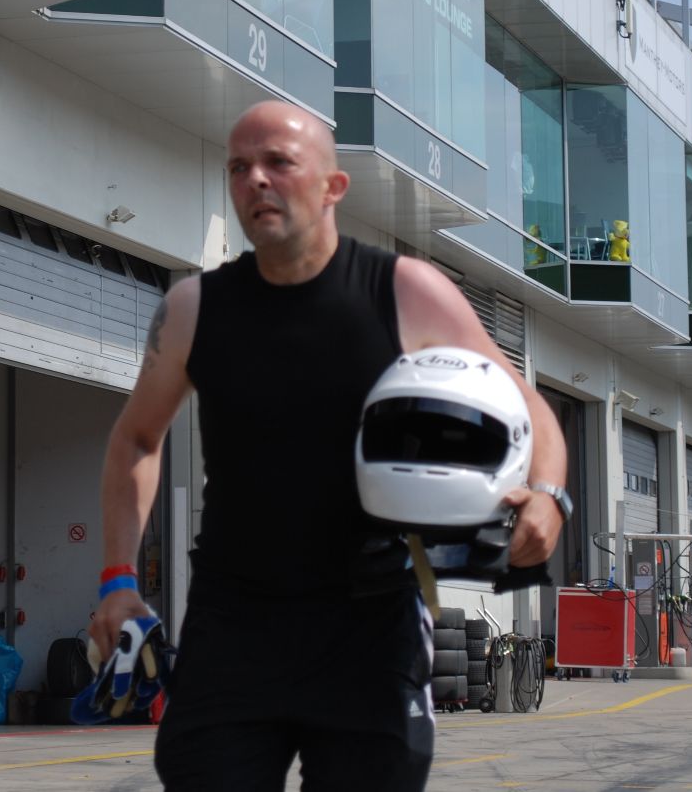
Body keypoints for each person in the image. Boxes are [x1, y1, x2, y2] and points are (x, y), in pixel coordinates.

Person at [90, 101, 567, 791]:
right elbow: (136, 439)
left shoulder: (404, 292)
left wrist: (547, 496)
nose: (255, 179)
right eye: (238, 167)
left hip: (371, 627)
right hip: (234, 625)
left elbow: (531, 407)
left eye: (278, 162)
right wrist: (118, 581)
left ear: (332, 187)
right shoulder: (194, 309)